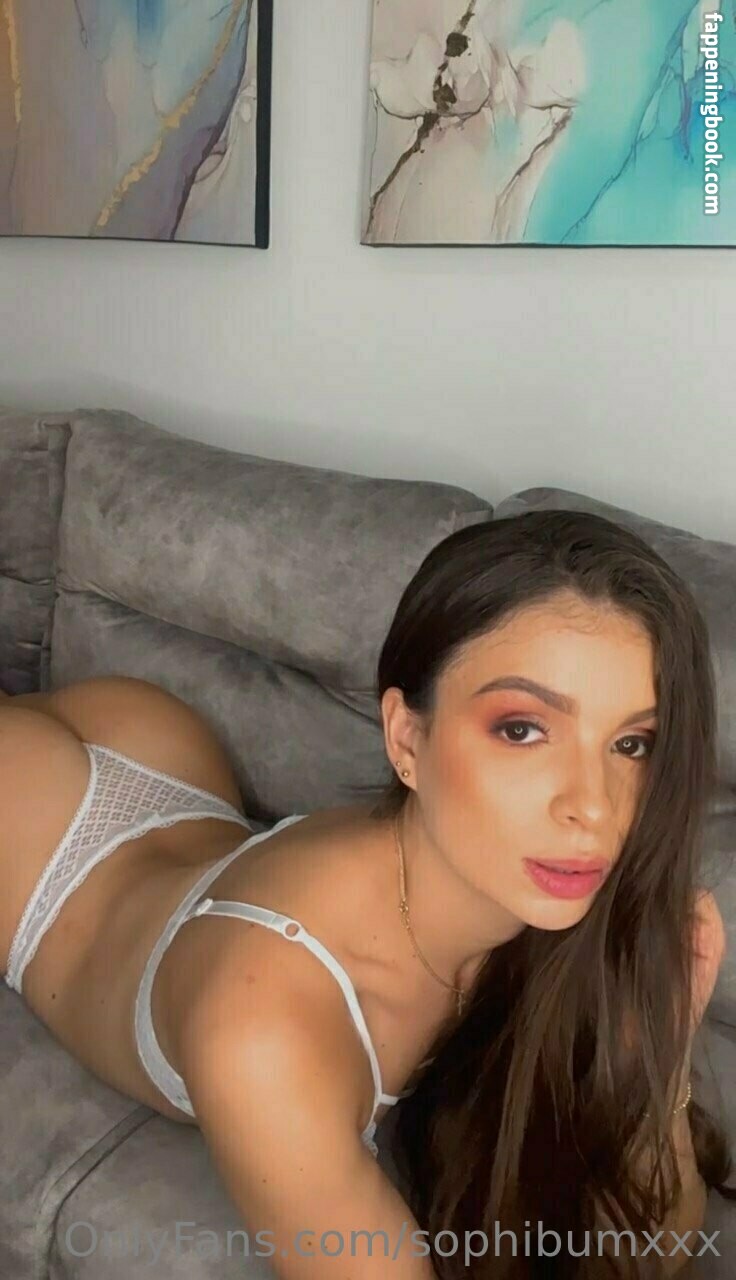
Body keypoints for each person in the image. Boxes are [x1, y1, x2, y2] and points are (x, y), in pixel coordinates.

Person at [0, 509, 733, 1279]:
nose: (593, 807)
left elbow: (651, 1245)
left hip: (166, 754)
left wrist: (662, 1050)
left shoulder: (532, 887)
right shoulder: (265, 1034)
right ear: (407, 740)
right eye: (522, 730)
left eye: (632, 743)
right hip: (34, 831)